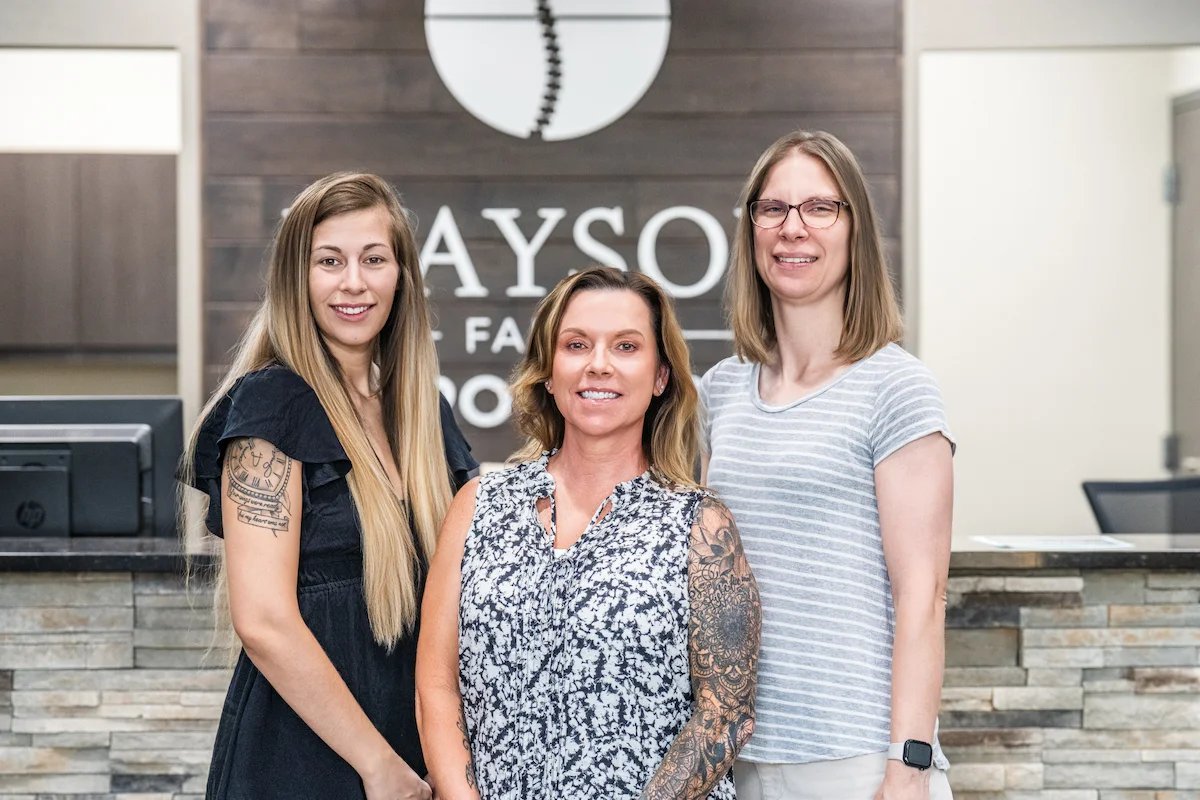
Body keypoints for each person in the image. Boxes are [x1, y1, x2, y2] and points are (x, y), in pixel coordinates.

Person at [178, 172, 477, 800]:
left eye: (373, 259)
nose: (353, 282)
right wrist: (379, 765)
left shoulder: (423, 414)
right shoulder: (272, 405)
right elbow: (262, 619)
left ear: (402, 275)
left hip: (414, 746)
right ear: (298, 278)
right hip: (306, 756)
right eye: (329, 261)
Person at [416, 266, 761, 799]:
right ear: (549, 373)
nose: (598, 365)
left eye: (626, 347)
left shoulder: (699, 525)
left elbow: (726, 711)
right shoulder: (479, 505)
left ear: (661, 376)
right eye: (576, 345)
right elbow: (436, 687)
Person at [699, 130, 955, 800]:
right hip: (743, 762)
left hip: (861, 760)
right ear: (751, 227)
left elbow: (922, 597)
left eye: (820, 208)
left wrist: (909, 765)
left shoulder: (895, 388)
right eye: (773, 209)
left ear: (854, 230)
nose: (793, 229)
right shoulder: (719, 392)